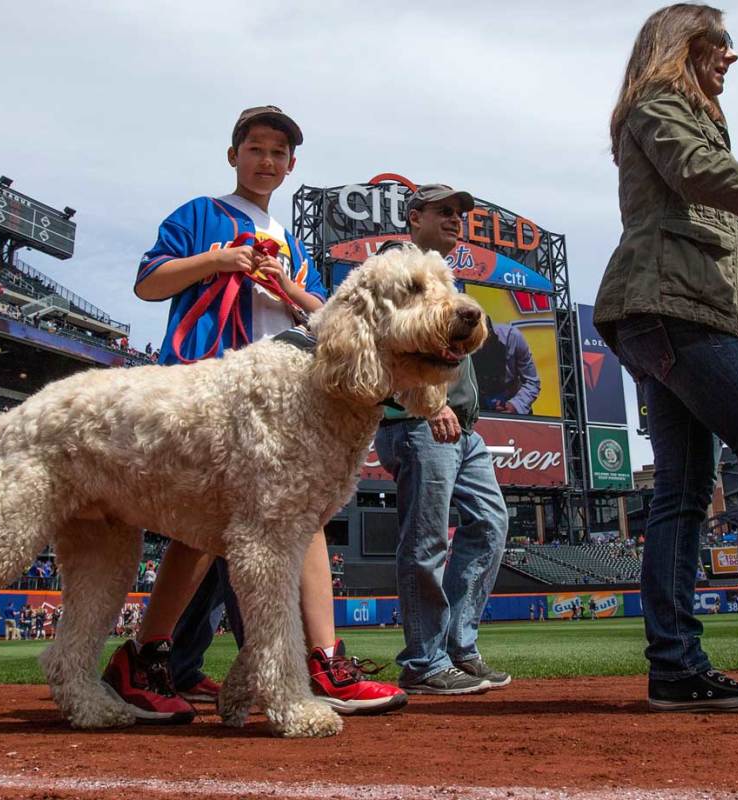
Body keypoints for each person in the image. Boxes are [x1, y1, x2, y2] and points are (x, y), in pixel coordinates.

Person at [101, 105, 407, 723]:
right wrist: (219, 262)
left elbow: (327, 314)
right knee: (195, 538)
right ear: (233, 154)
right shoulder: (200, 214)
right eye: (256, 149)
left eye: (278, 154)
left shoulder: (288, 239)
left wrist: (291, 292)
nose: (266, 161)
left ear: (291, 166)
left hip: (282, 395)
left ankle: (313, 657)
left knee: (303, 511)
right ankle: (152, 656)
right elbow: (149, 283)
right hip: (209, 383)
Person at [595, 3, 738, 710]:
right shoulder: (660, 104)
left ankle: (677, 672)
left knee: (683, 493)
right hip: (677, 314)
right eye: (720, 41)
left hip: (667, 315)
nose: (733, 55)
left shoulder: (686, 120)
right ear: (682, 44)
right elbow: (701, 176)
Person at [374, 184, 511, 696]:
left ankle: (456, 645)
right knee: (427, 541)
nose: (456, 219)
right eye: (444, 211)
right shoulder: (399, 264)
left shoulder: (443, 281)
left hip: (464, 430)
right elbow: (388, 339)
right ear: (414, 217)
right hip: (419, 423)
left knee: (491, 524)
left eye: (460, 214)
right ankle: (424, 661)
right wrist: (430, 405)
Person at [473, 320, 540, 414]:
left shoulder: (513, 337)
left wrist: (516, 405)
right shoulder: (458, 343)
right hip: (477, 403)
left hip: (511, 401)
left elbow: (532, 382)